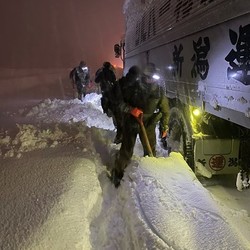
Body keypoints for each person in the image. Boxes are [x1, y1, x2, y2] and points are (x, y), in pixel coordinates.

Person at [111, 63, 170, 187]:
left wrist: (164, 127)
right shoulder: (133, 87)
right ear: (143, 77)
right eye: (147, 77)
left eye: (153, 78)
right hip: (132, 121)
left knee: (150, 151)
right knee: (127, 151)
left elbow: (165, 110)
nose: (150, 80)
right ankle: (117, 174)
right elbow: (119, 103)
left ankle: (149, 177)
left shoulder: (158, 91)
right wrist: (131, 110)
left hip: (148, 123)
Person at [95, 62, 123, 144]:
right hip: (111, 91)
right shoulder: (111, 72)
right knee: (112, 104)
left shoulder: (101, 73)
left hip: (104, 91)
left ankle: (107, 113)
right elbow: (114, 80)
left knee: (105, 103)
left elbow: (96, 80)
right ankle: (111, 114)